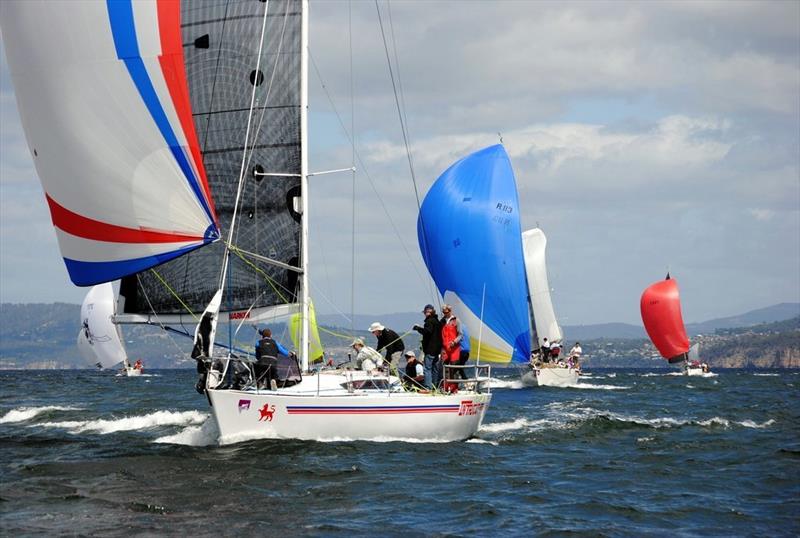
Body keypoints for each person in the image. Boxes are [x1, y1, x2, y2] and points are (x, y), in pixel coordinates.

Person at [412, 304, 443, 389]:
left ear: (427, 312)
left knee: (427, 369)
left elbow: (427, 332)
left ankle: (428, 387)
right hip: (437, 350)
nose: (425, 314)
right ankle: (435, 387)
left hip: (430, 349)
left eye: (425, 312)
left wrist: (417, 328)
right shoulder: (437, 321)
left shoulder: (429, 321)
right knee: (435, 369)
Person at [440, 304, 462, 393]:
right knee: (444, 367)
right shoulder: (442, 321)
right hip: (445, 348)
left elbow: (460, 334)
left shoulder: (456, 321)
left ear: (450, 311)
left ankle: (454, 388)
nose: (445, 314)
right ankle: (445, 387)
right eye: (443, 312)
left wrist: (454, 342)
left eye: (446, 312)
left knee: (453, 368)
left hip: (454, 348)